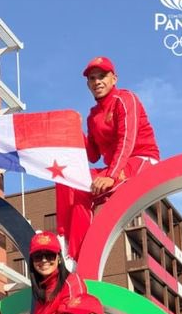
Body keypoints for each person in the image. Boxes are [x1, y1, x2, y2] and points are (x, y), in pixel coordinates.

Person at [56, 56, 160, 260]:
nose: (97, 82)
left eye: (102, 76)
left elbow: (127, 140)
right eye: (92, 78)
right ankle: (71, 249)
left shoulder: (125, 98)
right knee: (68, 178)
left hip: (141, 160)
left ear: (114, 78)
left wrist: (111, 175)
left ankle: (80, 253)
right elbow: (94, 155)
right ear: (88, 84)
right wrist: (76, 131)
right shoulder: (93, 115)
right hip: (115, 168)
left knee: (88, 182)